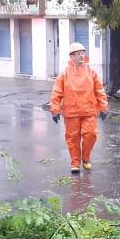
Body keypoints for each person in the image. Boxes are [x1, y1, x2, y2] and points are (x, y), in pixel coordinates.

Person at [50, 42, 109, 174]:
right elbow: (56, 92)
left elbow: (99, 90)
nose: (81, 56)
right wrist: (55, 110)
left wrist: (103, 107)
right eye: (78, 54)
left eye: (83, 53)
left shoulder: (91, 72)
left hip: (88, 110)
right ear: (72, 56)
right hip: (71, 112)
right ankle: (75, 163)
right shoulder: (64, 74)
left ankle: (86, 158)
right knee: (72, 138)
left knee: (91, 135)